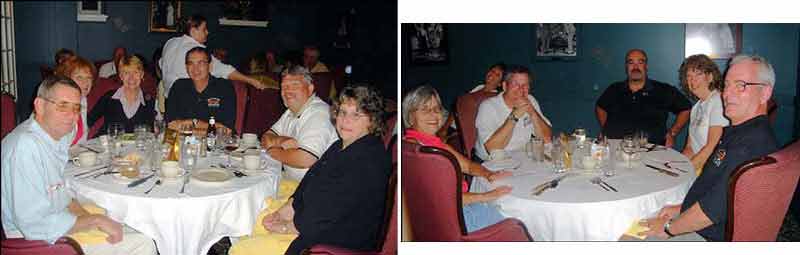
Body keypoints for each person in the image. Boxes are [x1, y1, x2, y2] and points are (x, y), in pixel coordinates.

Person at [1, 76, 156, 254]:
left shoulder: (52, 136)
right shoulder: (25, 147)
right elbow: (34, 224)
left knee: (131, 222)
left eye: (76, 108)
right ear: (40, 105)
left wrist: (84, 214)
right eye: (63, 106)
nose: (72, 115)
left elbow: (57, 193)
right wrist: (95, 221)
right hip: (35, 242)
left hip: (54, 219)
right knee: (144, 243)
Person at [638, 54, 779, 241]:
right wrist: (680, 207)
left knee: (629, 234)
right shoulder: (740, 132)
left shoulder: (749, 145)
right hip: (701, 218)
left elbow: (710, 212)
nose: (727, 94)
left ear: (765, 93)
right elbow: (713, 191)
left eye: (741, 85)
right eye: (727, 85)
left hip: (709, 235)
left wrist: (667, 228)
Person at [402, 85, 513, 232]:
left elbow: (467, 166)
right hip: (452, 218)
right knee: (515, 222)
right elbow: (443, 198)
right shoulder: (422, 151)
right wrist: (486, 196)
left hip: (454, 209)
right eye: (425, 109)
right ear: (410, 116)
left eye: (436, 109)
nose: (433, 115)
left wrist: (488, 174)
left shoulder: (428, 143)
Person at [596, 49, 691, 146]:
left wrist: (672, 133)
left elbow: (686, 108)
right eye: (631, 62)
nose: (635, 67)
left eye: (640, 62)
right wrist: (606, 129)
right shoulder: (614, 89)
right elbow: (600, 107)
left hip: (652, 151)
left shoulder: (663, 90)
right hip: (615, 148)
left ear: (646, 66)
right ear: (626, 67)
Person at [159, 14, 266, 100]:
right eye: (204, 29)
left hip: (168, 99)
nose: (207, 32)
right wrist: (251, 81)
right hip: (188, 100)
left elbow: (160, 64)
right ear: (193, 31)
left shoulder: (170, 42)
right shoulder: (196, 49)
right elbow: (225, 71)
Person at [260, 66, 338, 181]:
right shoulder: (290, 112)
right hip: (293, 183)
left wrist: (273, 151)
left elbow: (305, 159)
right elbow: (265, 138)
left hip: (315, 190)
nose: (287, 91)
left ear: (310, 89)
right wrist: (281, 141)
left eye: (295, 85)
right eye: (284, 87)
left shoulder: (319, 113)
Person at [475, 65, 552, 161]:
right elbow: (492, 149)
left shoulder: (530, 100)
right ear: (504, 86)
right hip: (490, 162)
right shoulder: (488, 106)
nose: (521, 89)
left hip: (521, 158)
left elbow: (547, 139)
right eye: (515, 84)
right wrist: (514, 116)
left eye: (525, 85)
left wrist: (532, 112)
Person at [165, 47, 236, 133]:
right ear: (186, 67)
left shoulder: (224, 87)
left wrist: (194, 123)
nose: (195, 69)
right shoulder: (178, 86)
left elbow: (226, 130)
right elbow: (171, 125)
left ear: (210, 66)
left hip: (216, 145)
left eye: (201, 63)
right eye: (191, 64)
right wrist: (211, 128)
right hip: (184, 145)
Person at [678, 54, 729, 174]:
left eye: (698, 74)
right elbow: (690, 148)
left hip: (712, 168)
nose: (692, 80)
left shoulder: (718, 101)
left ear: (710, 77)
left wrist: (685, 172)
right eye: (689, 76)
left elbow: (712, 147)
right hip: (697, 165)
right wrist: (676, 166)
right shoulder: (696, 107)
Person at [88, 55, 156, 136]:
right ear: (121, 76)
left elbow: (151, 132)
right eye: (126, 73)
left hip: (136, 147)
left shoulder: (149, 101)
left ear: (142, 75)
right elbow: (89, 120)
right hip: (109, 146)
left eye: (135, 72)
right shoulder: (109, 98)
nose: (131, 78)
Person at [54, 56, 95, 145]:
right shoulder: (56, 103)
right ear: (67, 79)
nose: (85, 83)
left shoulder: (82, 100)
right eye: (79, 77)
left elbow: (82, 137)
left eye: (89, 78)